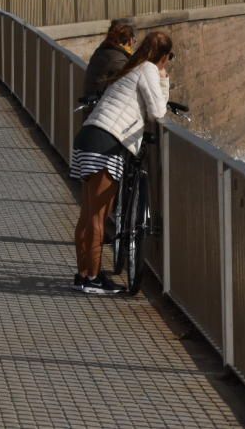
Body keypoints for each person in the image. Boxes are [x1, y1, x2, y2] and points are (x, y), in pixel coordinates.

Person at [70, 31, 173, 294]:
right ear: (162, 56)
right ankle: (92, 278)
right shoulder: (148, 68)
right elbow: (158, 112)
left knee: (87, 215)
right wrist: (163, 78)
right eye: (169, 57)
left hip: (88, 137)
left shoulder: (130, 69)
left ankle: (83, 274)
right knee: (98, 217)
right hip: (108, 143)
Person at [83, 19, 135, 98]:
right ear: (129, 41)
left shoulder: (102, 50)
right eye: (134, 40)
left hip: (91, 100)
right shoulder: (119, 60)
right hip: (100, 105)